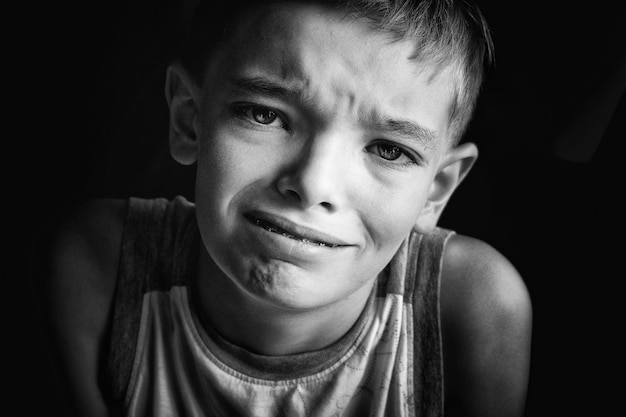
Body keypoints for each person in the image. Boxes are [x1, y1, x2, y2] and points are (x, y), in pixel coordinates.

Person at [47, 0, 532, 416]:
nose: (313, 185)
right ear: (189, 120)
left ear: (436, 190)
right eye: (266, 115)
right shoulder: (102, 264)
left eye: (389, 150)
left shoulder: (472, 306)